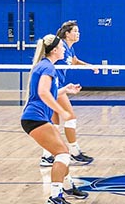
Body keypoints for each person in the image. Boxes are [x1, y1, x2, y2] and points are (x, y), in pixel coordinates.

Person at [21, 34, 89, 204]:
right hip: (35, 118)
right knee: (63, 155)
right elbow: (43, 93)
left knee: (63, 152)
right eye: (62, 48)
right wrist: (62, 111)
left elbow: (47, 93)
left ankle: (67, 187)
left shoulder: (46, 66)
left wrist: (65, 90)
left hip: (36, 117)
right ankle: (55, 197)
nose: (64, 51)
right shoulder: (48, 68)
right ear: (55, 50)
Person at [40, 20, 98, 167]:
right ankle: (74, 152)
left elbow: (74, 61)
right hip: (54, 86)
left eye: (78, 31)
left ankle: (47, 156)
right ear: (67, 34)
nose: (78, 34)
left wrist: (90, 66)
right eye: (75, 31)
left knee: (54, 122)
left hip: (57, 86)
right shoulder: (60, 46)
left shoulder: (69, 49)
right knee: (70, 117)